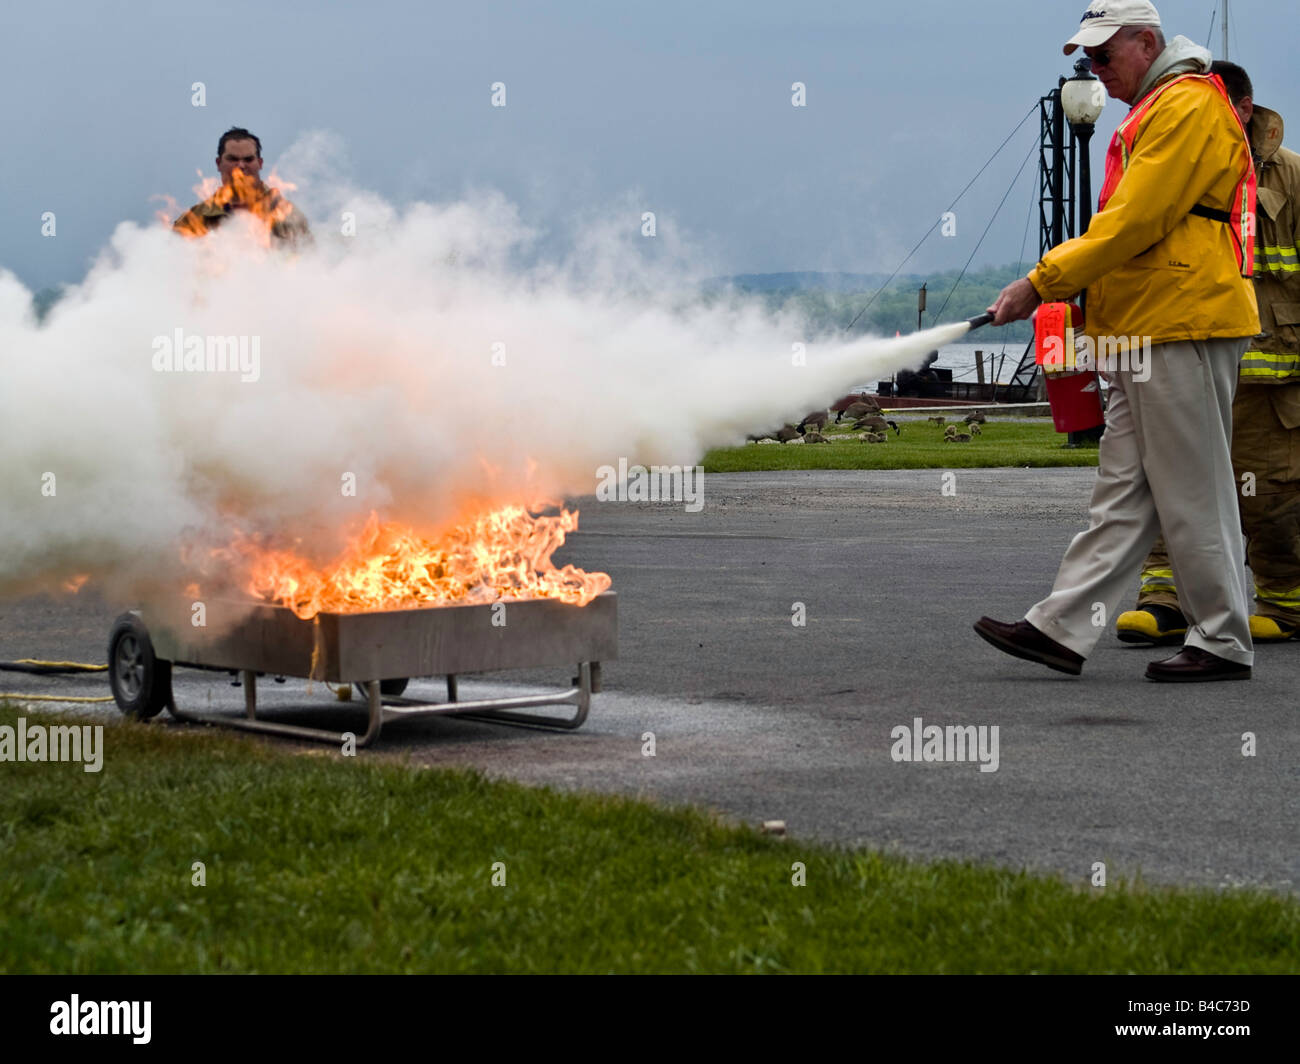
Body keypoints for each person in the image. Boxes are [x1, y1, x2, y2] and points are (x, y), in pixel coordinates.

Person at [973, 0, 1260, 682]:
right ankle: (1061, 628)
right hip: (1148, 325)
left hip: (1179, 321)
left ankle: (1222, 639)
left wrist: (1042, 281)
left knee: (1193, 491)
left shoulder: (1185, 106)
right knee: (1123, 492)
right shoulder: (1162, 107)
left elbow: (1135, 220)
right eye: (1087, 62)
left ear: (1147, 43)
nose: (1096, 71)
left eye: (1103, 56)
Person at [1116, 62, 1300, 646]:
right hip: (1188, 352)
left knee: (1266, 490)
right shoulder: (1171, 164)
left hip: (1272, 376)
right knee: (1170, 483)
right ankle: (1165, 599)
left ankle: (1285, 601)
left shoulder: (1291, 179)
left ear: (1241, 110)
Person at [173, 126, 311, 245]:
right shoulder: (195, 219)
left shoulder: (286, 215)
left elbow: (309, 263)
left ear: (260, 163)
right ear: (218, 163)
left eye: (248, 159)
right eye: (232, 159)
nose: (240, 166)